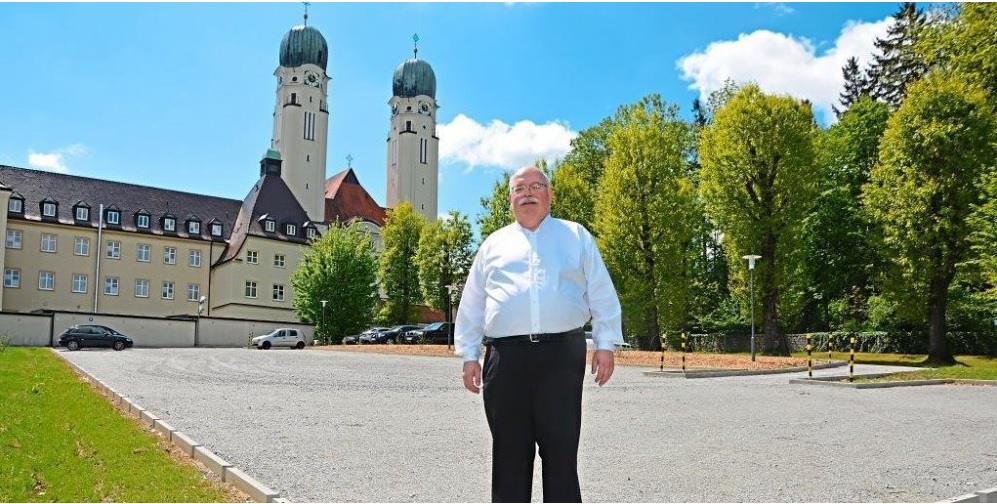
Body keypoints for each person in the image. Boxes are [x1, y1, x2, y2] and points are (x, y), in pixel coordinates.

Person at [454, 165, 623, 502]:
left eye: (536, 186)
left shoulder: (575, 236)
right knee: (509, 455)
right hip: (506, 360)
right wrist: (470, 355)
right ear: (510, 198)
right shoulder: (493, 245)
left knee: (561, 452)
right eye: (519, 188)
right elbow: (472, 302)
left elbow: (601, 292)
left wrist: (605, 344)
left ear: (550, 195)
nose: (528, 193)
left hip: (561, 356)